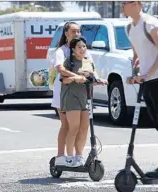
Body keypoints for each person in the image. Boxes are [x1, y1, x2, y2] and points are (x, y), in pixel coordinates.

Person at [121, 1, 158, 178]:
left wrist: (148, 74)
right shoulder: (129, 27)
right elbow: (138, 54)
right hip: (146, 80)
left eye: (126, 2)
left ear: (138, 4)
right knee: (156, 120)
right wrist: (137, 69)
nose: (123, 5)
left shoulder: (150, 23)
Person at [51, 21, 94, 166]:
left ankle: (77, 156)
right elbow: (60, 69)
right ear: (66, 33)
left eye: (78, 31)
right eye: (73, 31)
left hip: (80, 93)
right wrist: (76, 76)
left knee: (81, 126)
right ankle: (61, 156)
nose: (76, 34)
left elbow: (90, 69)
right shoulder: (61, 51)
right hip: (63, 91)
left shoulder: (83, 50)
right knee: (66, 125)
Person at [60, 37, 107, 167]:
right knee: (74, 127)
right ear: (73, 50)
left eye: (84, 47)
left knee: (84, 128)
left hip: (86, 98)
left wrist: (100, 81)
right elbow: (64, 80)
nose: (82, 49)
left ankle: (79, 156)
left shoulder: (89, 62)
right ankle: (69, 157)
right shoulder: (69, 62)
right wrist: (75, 78)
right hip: (71, 97)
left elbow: (93, 78)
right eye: (79, 47)